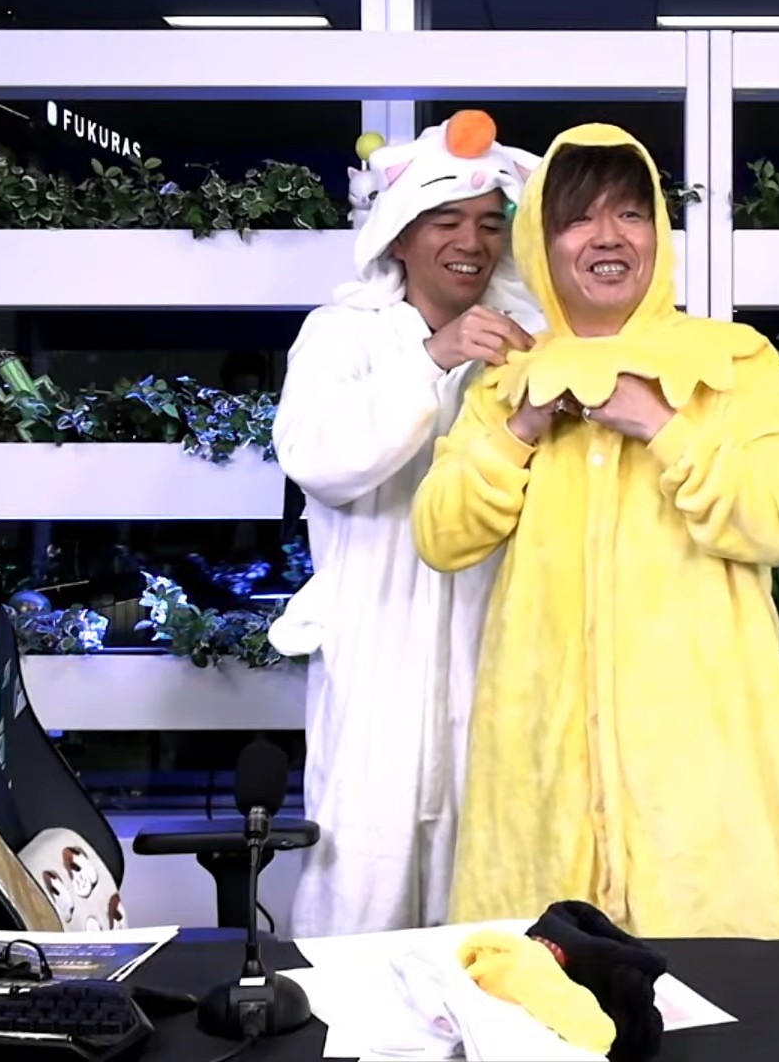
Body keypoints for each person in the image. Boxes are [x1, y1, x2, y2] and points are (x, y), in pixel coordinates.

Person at [411, 124, 779, 939]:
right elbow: (442, 535)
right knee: (542, 990)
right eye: (578, 219)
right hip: (541, 765)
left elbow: (775, 525)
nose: (607, 237)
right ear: (543, 244)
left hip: (700, 764)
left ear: (657, 233)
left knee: (718, 986)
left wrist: (661, 424)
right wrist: (523, 427)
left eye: (630, 214)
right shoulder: (508, 380)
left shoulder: (735, 363)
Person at [268, 110, 545, 939]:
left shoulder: (527, 340)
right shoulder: (340, 335)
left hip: (491, 650)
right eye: (446, 220)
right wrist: (433, 359)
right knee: (362, 872)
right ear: (400, 232)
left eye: (490, 223)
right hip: (376, 652)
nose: (471, 242)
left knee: (489, 884)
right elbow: (317, 458)